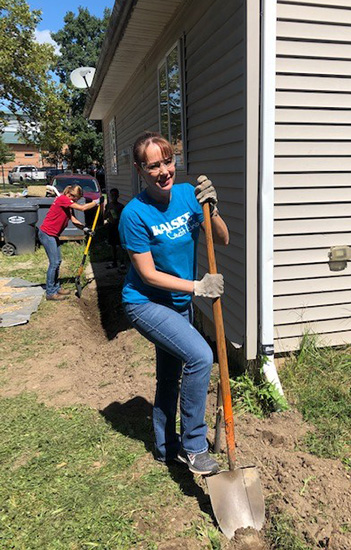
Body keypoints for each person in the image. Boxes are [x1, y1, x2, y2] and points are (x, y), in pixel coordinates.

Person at [119, 131, 229, 475]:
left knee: (170, 376)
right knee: (200, 356)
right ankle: (194, 446)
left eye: (168, 161)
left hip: (180, 300)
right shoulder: (134, 215)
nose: (164, 171)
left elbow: (223, 238)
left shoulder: (188, 196)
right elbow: (148, 275)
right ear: (140, 170)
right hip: (146, 303)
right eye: (154, 166)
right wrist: (198, 286)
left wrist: (211, 208)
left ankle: (166, 447)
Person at [38, 184, 100, 301]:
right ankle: (50, 292)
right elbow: (82, 208)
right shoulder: (63, 199)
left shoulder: (66, 202)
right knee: (54, 263)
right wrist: (96, 202)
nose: (76, 200)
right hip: (47, 234)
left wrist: (85, 229)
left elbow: (73, 220)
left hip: (52, 235)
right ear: (71, 195)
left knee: (57, 261)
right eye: (76, 198)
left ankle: (56, 288)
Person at [104, 187, 125, 269]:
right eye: (112, 195)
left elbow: (121, 218)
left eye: (115, 195)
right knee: (112, 245)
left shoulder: (121, 206)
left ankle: (122, 262)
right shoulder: (108, 205)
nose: (113, 197)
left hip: (118, 227)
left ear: (118, 196)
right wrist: (108, 212)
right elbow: (105, 216)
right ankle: (114, 262)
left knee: (120, 246)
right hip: (111, 227)